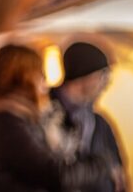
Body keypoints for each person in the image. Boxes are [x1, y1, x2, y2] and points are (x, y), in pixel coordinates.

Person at [0, 44, 112, 192]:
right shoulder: (8, 123)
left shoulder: (10, 118)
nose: (44, 83)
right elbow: (57, 175)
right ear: (24, 79)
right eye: (40, 74)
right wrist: (102, 163)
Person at [52, 42, 127, 192]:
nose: (107, 84)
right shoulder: (46, 115)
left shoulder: (100, 123)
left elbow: (120, 177)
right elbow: (54, 175)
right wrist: (105, 164)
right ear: (87, 76)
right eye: (103, 75)